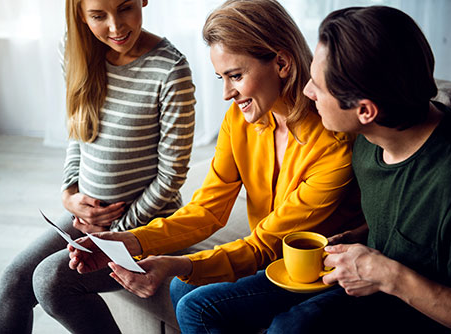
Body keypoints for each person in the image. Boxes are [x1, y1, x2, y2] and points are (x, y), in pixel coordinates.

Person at [68, 0, 363, 332]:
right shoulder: (239, 121)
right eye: (222, 77)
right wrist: (128, 241)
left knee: (197, 302)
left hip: (316, 272)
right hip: (272, 260)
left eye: (235, 76)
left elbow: (265, 244)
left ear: (281, 62)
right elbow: (208, 208)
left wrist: (176, 263)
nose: (226, 93)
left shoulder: (332, 144)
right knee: (182, 286)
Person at [0, 0, 195, 333]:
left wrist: (116, 235)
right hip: (89, 221)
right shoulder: (76, 51)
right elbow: (78, 131)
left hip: (146, 228)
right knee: (14, 277)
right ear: (80, 15)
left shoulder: (170, 69)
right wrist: (69, 193)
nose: (116, 27)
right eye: (99, 16)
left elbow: (172, 176)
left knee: (51, 280)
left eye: (125, 7)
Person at [266, 5, 451, 334]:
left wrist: (389, 274)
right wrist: (358, 237)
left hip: (423, 315)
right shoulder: (368, 141)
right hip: (371, 294)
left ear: (365, 110)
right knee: (199, 303)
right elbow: (411, 228)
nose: (306, 92)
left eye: (318, 85)